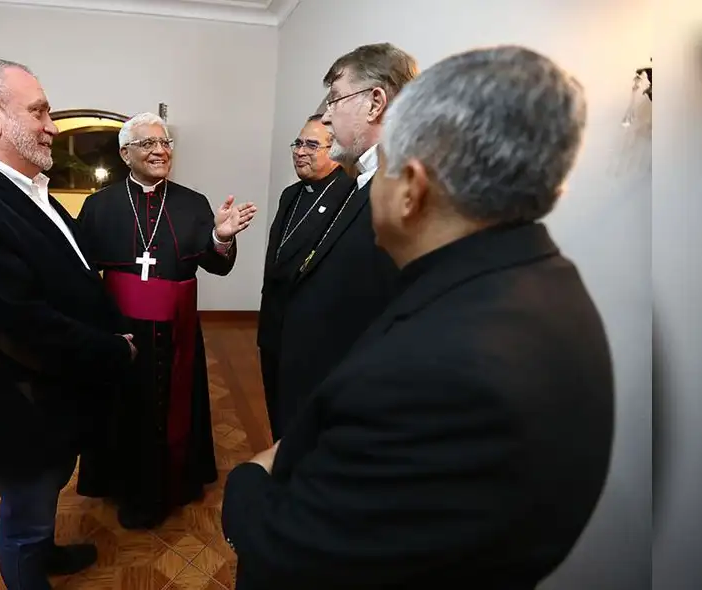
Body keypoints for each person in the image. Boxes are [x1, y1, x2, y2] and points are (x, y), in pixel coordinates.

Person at [221, 45, 615, 590]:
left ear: (413, 187)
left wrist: (248, 478)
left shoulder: (439, 369)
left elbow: (295, 551)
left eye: (380, 168)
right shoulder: (543, 281)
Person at [0, 58, 137, 590]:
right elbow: (18, 325)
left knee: (47, 494)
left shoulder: (27, 187)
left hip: (57, 395)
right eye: (39, 111)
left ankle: (47, 552)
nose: (52, 126)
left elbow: (70, 277)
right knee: (24, 517)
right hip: (22, 405)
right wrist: (114, 351)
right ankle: (30, 565)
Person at [74, 112, 257, 530]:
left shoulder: (192, 202)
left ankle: (178, 480)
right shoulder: (99, 206)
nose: (160, 150)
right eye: (148, 144)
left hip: (177, 331)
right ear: (125, 153)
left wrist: (221, 238)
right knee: (125, 408)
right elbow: (85, 274)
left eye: (166, 143)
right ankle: (125, 485)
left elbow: (216, 265)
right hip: (122, 330)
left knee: (176, 404)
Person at [272, 43, 416, 436]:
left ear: (375, 103)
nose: (326, 115)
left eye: (335, 99)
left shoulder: (403, 189)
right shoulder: (364, 182)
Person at [258, 113, 353, 440]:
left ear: (335, 150)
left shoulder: (350, 196)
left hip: (311, 333)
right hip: (274, 325)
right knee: (277, 409)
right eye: (298, 143)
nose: (300, 151)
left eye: (312, 145)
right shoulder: (291, 194)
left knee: (304, 417)